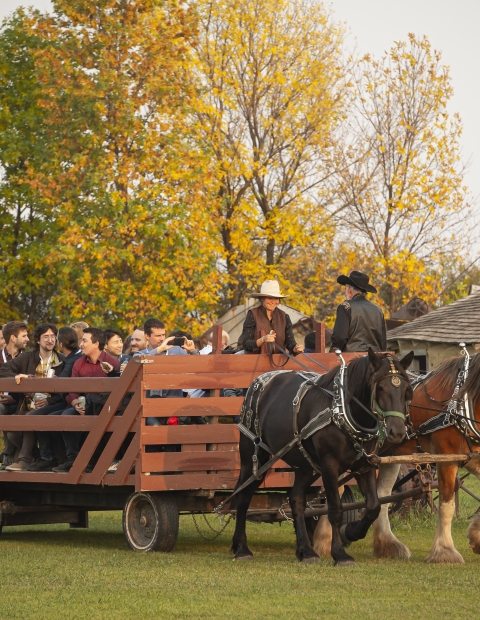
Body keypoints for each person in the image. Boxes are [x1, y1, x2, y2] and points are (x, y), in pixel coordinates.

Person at [52, 327, 119, 473]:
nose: (80, 344)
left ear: (96, 344)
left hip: (103, 408)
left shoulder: (112, 362)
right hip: (83, 405)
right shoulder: (78, 363)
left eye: (84, 341)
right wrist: (75, 403)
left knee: (100, 420)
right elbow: (72, 390)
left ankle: (91, 461)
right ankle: (72, 459)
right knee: (65, 417)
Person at [0, 323, 65, 471]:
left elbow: (64, 390)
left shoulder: (61, 359)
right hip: (28, 404)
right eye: (46, 337)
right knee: (12, 433)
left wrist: (49, 401)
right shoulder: (28, 357)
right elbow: (4, 370)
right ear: (37, 340)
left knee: (31, 417)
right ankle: (37, 456)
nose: (50, 340)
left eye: (53, 337)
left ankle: (24, 460)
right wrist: (22, 379)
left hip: (51, 405)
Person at [26, 327, 83, 472]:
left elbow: (63, 385)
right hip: (65, 400)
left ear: (61, 344)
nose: (53, 341)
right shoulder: (70, 358)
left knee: (50, 418)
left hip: (71, 402)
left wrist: (52, 384)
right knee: (35, 417)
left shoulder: (72, 359)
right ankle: (49, 457)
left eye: (55, 338)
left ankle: (60, 458)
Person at [239, 280, 304, 355]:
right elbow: (246, 344)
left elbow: (290, 342)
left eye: (276, 298)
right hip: (254, 361)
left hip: (279, 363)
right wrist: (263, 340)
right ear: (262, 298)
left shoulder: (285, 316)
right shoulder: (252, 314)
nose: (273, 301)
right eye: (270, 298)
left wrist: (295, 348)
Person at [330, 270, 386, 352]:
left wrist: (333, 351)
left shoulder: (345, 307)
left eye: (346, 288)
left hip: (352, 360)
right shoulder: (378, 310)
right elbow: (383, 342)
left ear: (349, 290)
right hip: (375, 360)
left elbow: (340, 338)